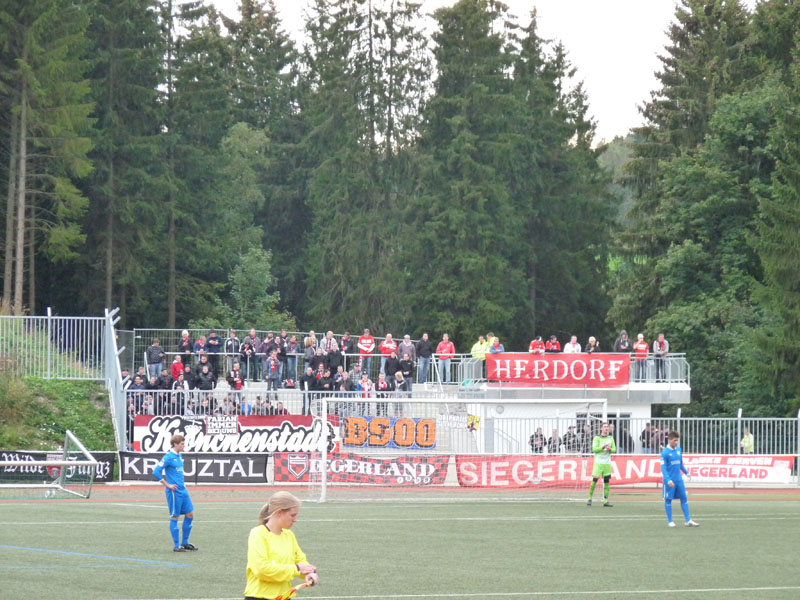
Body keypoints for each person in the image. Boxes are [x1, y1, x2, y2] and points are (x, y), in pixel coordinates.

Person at [243, 491, 319, 600]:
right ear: (279, 512)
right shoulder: (258, 534)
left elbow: (300, 560)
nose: (295, 519)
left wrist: (308, 573)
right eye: (292, 515)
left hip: (284, 597)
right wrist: (297, 568)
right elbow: (261, 569)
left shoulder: (289, 535)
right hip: (259, 597)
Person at [152, 433, 197, 552]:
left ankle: (185, 543)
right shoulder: (168, 457)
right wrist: (168, 485)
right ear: (175, 444)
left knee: (190, 514)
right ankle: (177, 545)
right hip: (174, 492)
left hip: (183, 490)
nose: (184, 445)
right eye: (182, 444)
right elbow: (156, 472)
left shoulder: (179, 455)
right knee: (175, 516)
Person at [661, 431, 699, 527]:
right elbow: (663, 468)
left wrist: (686, 472)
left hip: (679, 480)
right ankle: (670, 521)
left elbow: (680, 463)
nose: (676, 442)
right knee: (668, 500)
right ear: (669, 440)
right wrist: (668, 480)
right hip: (670, 481)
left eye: (677, 440)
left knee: (684, 498)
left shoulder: (678, 450)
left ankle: (688, 520)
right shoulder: (665, 453)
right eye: (674, 440)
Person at [587, 422, 616, 507]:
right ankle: (590, 498)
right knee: (594, 480)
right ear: (601, 428)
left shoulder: (611, 438)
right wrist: (603, 447)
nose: (606, 428)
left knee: (607, 482)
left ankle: (605, 501)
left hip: (607, 463)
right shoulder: (597, 438)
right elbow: (594, 449)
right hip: (598, 463)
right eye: (604, 427)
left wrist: (609, 449)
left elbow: (614, 450)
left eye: (607, 427)